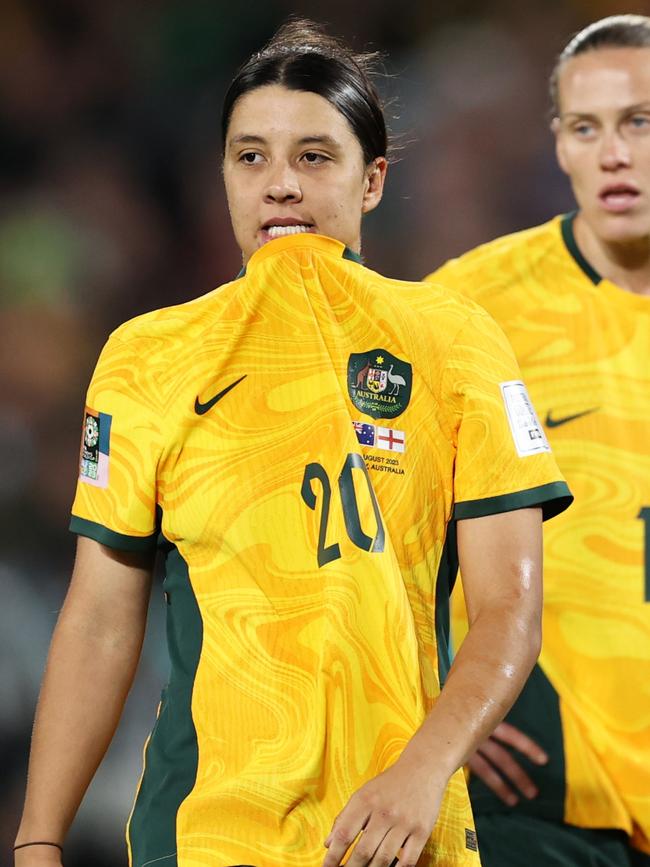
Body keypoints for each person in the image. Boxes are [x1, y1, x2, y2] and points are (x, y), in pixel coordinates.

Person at [15, 19, 571, 867]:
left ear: (373, 179)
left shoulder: (454, 338)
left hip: (399, 831)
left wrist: (422, 773)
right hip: (203, 831)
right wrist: (39, 836)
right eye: (251, 157)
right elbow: (97, 617)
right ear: (224, 178)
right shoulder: (148, 355)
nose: (279, 184)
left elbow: (509, 609)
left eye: (314, 156)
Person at [427, 14, 650, 867]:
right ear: (557, 144)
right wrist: (433, 691)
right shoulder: (473, 311)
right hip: (546, 796)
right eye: (586, 128)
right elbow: (372, 525)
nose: (615, 154)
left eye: (640, 121)